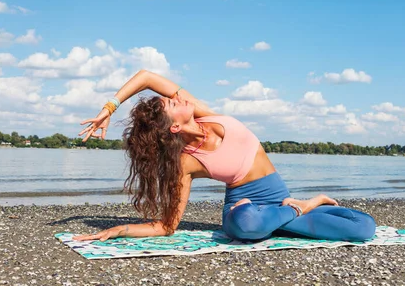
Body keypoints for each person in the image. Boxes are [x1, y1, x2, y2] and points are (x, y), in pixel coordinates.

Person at [74, 70, 376, 242]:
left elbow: (146, 77)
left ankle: (308, 204)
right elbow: (167, 226)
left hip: (281, 204)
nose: (175, 95)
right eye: (170, 103)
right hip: (243, 210)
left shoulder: (205, 114)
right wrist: (118, 231)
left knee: (364, 228)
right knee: (244, 225)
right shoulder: (186, 161)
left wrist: (108, 108)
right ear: (175, 126)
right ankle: (297, 211)